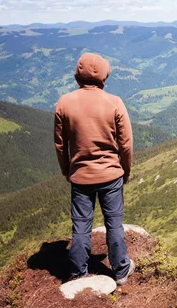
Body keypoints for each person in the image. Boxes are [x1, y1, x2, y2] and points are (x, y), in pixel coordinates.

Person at [54, 52, 135, 285]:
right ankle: (120, 270)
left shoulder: (64, 103)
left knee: (81, 226)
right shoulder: (115, 102)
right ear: (103, 76)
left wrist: (66, 170)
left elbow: (61, 144)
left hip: (80, 176)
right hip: (111, 175)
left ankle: (78, 273)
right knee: (114, 223)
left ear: (78, 75)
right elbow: (126, 144)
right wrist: (125, 171)